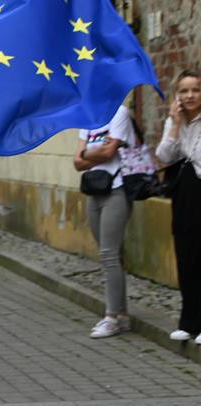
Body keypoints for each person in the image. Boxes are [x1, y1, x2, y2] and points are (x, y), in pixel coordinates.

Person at [74, 104, 135, 339]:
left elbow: (108, 155)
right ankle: (122, 314)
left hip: (117, 191)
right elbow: (77, 162)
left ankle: (110, 317)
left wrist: (89, 154)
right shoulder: (86, 117)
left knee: (109, 254)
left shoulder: (119, 113)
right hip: (93, 191)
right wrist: (98, 150)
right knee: (110, 254)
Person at [157, 70, 201, 343]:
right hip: (185, 196)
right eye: (183, 91)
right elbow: (163, 155)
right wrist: (175, 124)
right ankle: (189, 322)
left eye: (195, 90)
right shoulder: (174, 120)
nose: (189, 96)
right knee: (186, 255)